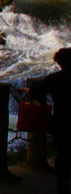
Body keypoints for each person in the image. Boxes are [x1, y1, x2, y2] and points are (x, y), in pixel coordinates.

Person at [30, 47, 71, 194]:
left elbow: (37, 92)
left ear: (60, 63)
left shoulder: (54, 79)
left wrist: (26, 91)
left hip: (62, 122)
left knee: (62, 155)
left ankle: (63, 187)